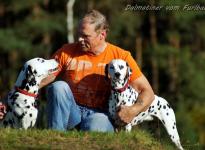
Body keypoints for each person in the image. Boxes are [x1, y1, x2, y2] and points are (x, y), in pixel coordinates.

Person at [0, 10, 155, 132]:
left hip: (101, 115)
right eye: (78, 34)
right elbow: (38, 80)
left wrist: (133, 110)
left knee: (94, 126)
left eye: (85, 36)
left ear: (102, 35)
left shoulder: (121, 57)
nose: (79, 39)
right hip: (71, 112)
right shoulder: (67, 51)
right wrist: (7, 101)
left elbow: (147, 92)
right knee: (58, 87)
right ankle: (56, 137)